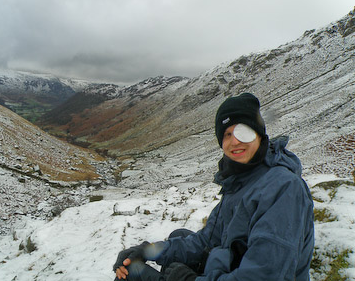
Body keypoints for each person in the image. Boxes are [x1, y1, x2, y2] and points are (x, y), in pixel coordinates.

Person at [113, 93, 315, 281]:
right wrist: (147, 250)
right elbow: (206, 240)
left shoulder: (283, 188)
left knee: (131, 273)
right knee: (176, 238)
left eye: (243, 132)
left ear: (259, 135)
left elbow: (264, 275)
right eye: (227, 134)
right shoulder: (241, 181)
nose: (234, 141)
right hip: (226, 268)